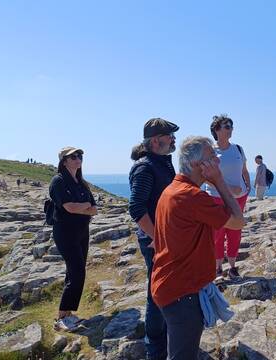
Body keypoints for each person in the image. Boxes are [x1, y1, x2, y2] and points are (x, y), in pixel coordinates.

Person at [151, 136, 245, 360]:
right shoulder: (191, 196)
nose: (217, 162)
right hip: (182, 292)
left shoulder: (172, 189)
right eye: (212, 157)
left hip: (170, 285)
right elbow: (237, 221)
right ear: (197, 165)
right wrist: (219, 181)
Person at [128, 118, 179, 360]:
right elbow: (137, 208)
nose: (174, 139)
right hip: (155, 241)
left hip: (164, 238)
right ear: (156, 140)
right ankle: (155, 348)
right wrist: (157, 238)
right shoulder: (145, 167)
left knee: (165, 289)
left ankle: (166, 337)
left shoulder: (162, 162)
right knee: (156, 291)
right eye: (170, 136)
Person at [49, 147, 97, 332]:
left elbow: (95, 209)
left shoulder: (81, 183)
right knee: (78, 273)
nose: (79, 159)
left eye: (80, 156)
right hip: (65, 232)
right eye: (74, 157)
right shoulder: (58, 181)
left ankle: (68, 313)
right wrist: (84, 205)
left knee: (74, 271)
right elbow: (69, 207)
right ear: (64, 161)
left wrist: (83, 207)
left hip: (82, 232)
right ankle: (61, 316)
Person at [204, 114, 250, 281]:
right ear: (217, 130)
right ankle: (217, 268)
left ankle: (232, 267)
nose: (231, 128)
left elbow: (244, 169)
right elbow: (206, 176)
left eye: (231, 125)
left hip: (239, 196)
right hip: (217, 197)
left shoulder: (238, 148)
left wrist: (248, 184)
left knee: (235, 231)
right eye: (227, 126)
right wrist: (228, 188)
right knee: (217, 232)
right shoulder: (209, 151)